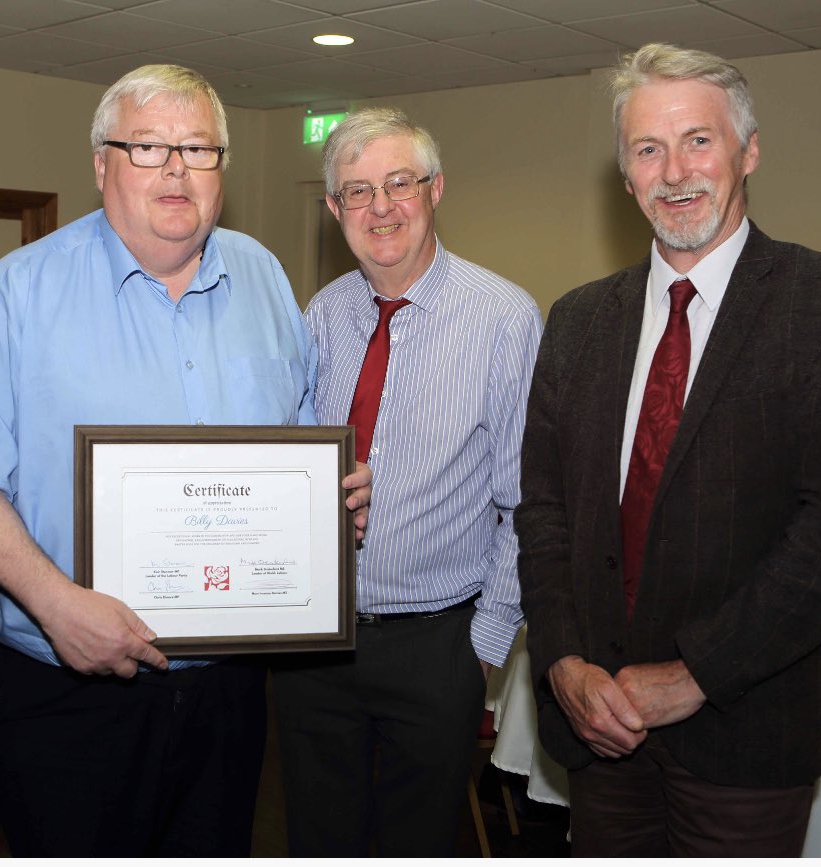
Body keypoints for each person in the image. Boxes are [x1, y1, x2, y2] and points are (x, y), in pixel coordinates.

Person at [0, 64, 370, 857]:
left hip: (228, 694)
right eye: (147, 147)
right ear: (101, 164)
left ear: (221, 168)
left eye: (199, 149)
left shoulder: (265, 279)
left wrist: (330, 500)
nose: (176, 170)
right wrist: (58, 605)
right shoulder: (19, 292)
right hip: (72, 692)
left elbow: (297, 439)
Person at [517, 43, 821, 857]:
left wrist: (696, 673)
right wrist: (562, 661)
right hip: (600, 734)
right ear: (626, 176)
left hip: (744, 740)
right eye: (648, 149)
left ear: (749, 150)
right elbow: (544, 514)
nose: (674, 172)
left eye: (698, 140)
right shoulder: (577, 320)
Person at [271, 107, 542, 856]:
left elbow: (528, 502)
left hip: (437, 645)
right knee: (317, 841)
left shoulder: (504, 319)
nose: (381, 207)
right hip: (314, 643)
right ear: (334, 210)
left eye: (399, 183)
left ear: (435, 189)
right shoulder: (321, 316)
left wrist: (483, 646)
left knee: (416, 844)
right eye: (357, 191)